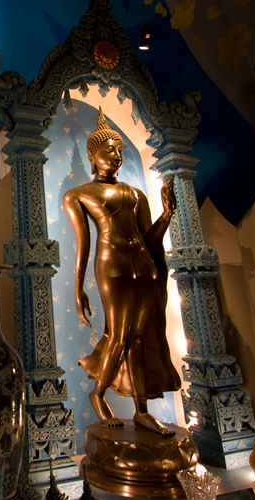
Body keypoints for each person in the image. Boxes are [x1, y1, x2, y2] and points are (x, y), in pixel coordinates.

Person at [62, 108, 181, 437]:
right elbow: (83, 243)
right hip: (112, 265)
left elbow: (150, 240)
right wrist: (77, 287)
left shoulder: (134, 193)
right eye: (109, 149)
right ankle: (98, 395)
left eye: (120, 150)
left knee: (139, 337)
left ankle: (142, 411)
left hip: (143, 265)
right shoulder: (79, 195)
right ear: (93, 155)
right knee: (118, 335)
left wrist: (167, 215)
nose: (116, 155)